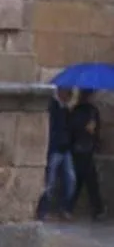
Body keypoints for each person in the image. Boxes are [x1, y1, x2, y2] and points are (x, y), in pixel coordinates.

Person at [36, 87, 77, 221]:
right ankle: (43, 210)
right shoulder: (53, 107)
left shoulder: (65, 109)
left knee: (71, 179)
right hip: (54, 149)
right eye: (68, 91)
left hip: (65, 150)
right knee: (50, 182)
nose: (71, 94)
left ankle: (64, 207)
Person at [68, 89, 105, 221]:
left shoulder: (93, 111)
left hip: (88, 149)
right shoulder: (76, 111)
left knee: (89, 181)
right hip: (78, 149)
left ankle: (97, 209)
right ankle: (69, 208)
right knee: (80, 181)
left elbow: (97, 130)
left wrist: (94, 133)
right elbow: (72, 129)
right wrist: (84, 128)